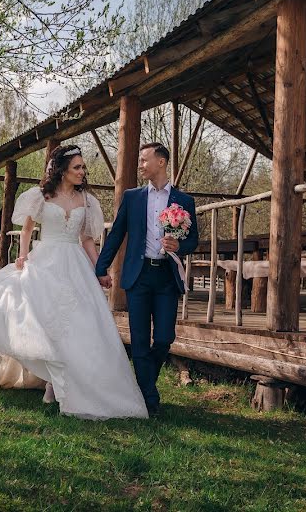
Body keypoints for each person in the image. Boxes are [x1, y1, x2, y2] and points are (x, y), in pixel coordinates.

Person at [0, 144, 148, 419]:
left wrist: (100, 270)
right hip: (45, 259)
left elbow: (86, 240)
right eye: (77, 167)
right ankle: (51, 379)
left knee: (76, 323)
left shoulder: (87, 201)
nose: (83, 172)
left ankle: (58, 384)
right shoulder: (40, 196)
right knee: (43, 318)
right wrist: (22, 257)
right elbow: (26, 231)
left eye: (83, 167)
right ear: (62, 170)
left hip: (75, 264)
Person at [95, 142, 199, 417]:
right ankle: (149, 400)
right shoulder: (132, 197)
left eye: (144, 160)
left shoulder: (184, 201)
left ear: (161, 162)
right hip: (138, 277)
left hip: (166, 277)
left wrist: (180, 246)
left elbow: (194, 240)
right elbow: (117, 234)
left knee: (165, 337)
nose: (140, 165)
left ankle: (141, 384)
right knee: (139, 340)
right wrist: (100, 267)